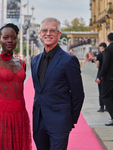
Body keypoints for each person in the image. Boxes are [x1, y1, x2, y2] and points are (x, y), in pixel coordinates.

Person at [31, 17, 84, 150]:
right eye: (44, 30)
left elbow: (78, 94)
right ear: (40, 33)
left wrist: (69, 121)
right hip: (38, 120)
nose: (48, 33)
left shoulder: (69, 60)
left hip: (60, 121)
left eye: (52, 30)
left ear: (59, 34)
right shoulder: (35, 61)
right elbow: (39, 90)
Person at [0, 23, 31, 150]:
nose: (10, 40)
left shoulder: (22, 63)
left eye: (13, 37)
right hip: (1, 116)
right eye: (6, 37)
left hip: (21, 115)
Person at [96, 33, 113, 126]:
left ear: (107, 39)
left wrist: (100, 76)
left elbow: (106, 64)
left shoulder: (108, 50)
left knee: (105, 95)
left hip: (110, 77)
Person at [95, 42, 107, 112]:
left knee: (101, 92)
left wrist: (96, 61)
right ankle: (107, 106)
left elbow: (98, 65)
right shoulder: (108, 54)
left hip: (100, 75)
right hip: (108, 75)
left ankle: (102, 107)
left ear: (102, 47)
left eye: (100, 47)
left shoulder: (99, 55)